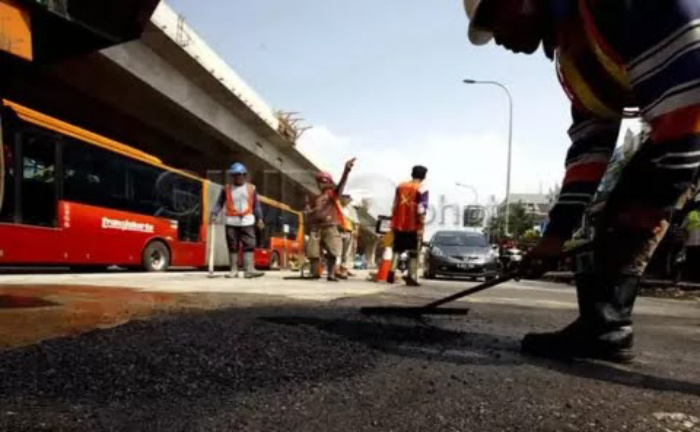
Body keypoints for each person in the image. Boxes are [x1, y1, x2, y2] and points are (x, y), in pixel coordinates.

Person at [464, 0, 700, 362]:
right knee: (624, 213)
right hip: (684, 114)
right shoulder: (578, 50)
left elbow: (688, 106)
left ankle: (606, 326)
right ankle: (605, 327)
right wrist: (554, 237)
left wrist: (661, 197)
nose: (497, 39)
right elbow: (590, 150)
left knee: (635, 207)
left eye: (494, 20)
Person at [305, 158, 356, 281]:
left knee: (333, 251)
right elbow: (310, 212)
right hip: (316, 228)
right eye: (320, 182)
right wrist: (308, 211)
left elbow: (341, 185)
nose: (322, 184)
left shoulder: (333, 194)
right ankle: (314, 272)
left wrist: (346, 170)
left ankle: (331, 274)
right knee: (313, 251)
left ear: (329, 182)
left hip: (330, 226)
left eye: (324, 181)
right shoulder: (316, 197)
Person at [211, 163, 265, 279]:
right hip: (231, 221)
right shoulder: (226, 188)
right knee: (233, 246)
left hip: (247, 221)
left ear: (244, 175)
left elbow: (256, 206)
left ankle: (249, 270)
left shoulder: (251, 188)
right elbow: (219, 203)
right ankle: (233, 270)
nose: (237, 177)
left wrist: (260, 218)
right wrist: (214, 213)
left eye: (239, 175)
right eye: (234, 175)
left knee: (249, 245)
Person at [388, 165, 429, 286]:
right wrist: (421, 225)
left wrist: (394, 219)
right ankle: (412, 276)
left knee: (397, 249)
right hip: (412, 224)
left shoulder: (400, 186)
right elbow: (421, 208)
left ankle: (391, 272)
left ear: (412, 173)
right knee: (413, 251)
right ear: (424, 176)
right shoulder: (422, 188)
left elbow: (395, 204)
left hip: (399, 222)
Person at [339, 194, 360, 278]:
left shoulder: (352, 209)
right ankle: (336, 269)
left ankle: (344, 269)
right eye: (345, 197)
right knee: (336, 251)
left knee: (346, 252)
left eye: (348, 198)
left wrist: (355, 230)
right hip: (337, 231)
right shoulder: (337, 206)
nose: (347, 200)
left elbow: (356, 222)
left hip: (348, 232)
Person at [682, 200, 700, 282]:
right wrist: (684, 240)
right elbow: (683, 228)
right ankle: (691, 278)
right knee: (692, 262)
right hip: (691, 243)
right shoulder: (691, 214)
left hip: (693, 243)